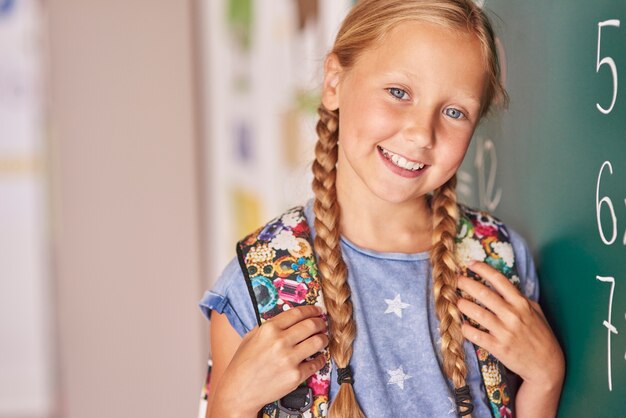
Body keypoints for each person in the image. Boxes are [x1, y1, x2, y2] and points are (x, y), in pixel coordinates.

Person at [199, 0, 565, 417]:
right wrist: (231, 403)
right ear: (334, 80)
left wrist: (545, 377)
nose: (420, 133)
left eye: (454, 112)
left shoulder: (497, 262)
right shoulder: (259, 282)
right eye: (398, 92)